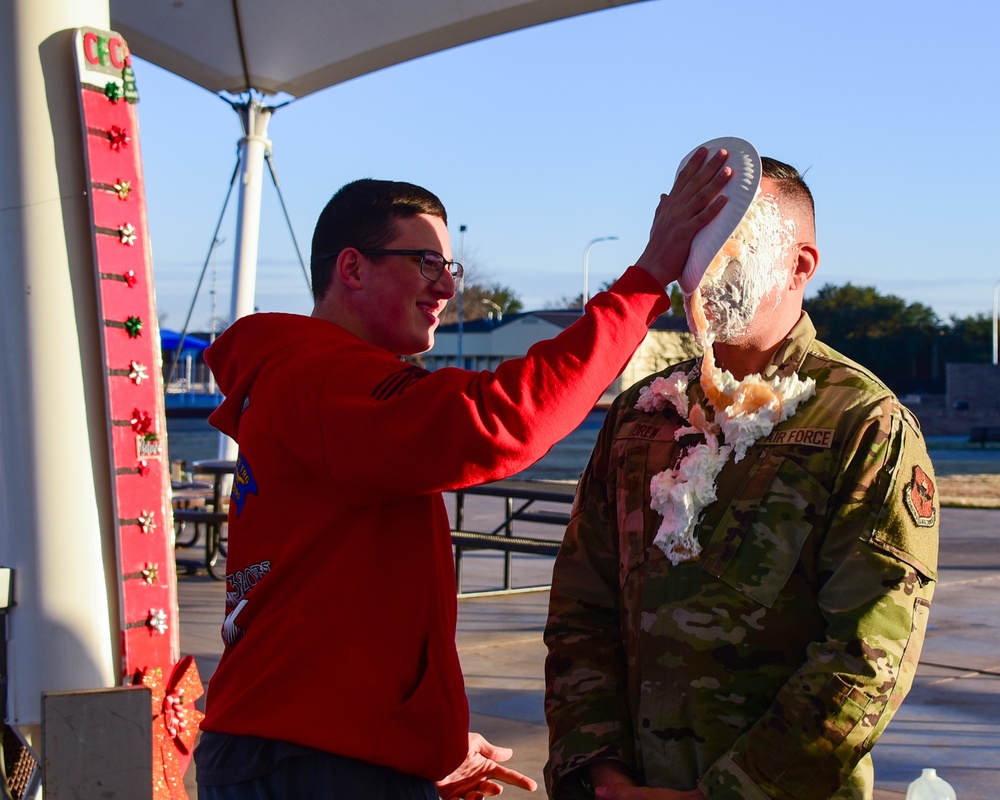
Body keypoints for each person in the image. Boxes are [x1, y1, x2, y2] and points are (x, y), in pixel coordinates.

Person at [193, 149, 734, 800]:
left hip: (319, 748)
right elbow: (499, 418)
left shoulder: (310, 382)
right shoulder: (320, 379)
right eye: (425, 263)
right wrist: (648, 277)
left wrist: (420, 742)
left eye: (448, 266)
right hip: (311, 758)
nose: (446, 286)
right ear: (352, 268)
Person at [543, 157, 939, 800]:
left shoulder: (860, 423)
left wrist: (726, 794)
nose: (702, 267)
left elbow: (867, 657)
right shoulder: (642, 416)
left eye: (731, 243)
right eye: (693, 241)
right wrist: (599, 774)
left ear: (801, 264)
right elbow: (581, 611)